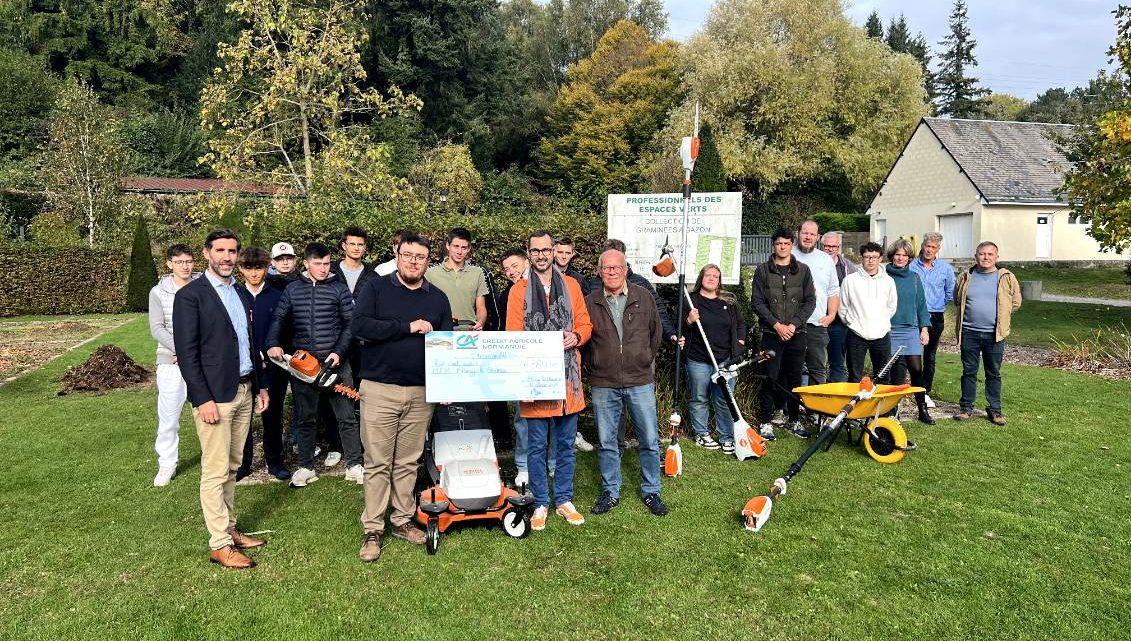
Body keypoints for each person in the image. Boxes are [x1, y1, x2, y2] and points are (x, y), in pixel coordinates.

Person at [352, 233, 453, 562]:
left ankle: (402, 520)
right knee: (378, 462)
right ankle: (373, 528)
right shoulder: (376, 288)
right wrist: (406, 327)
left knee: (408, 460)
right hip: (380, 388)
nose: (413, 261)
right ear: (397, 255)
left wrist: (445, 385)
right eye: (407, 255)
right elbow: (360, 326)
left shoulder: (438, 298)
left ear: (428, 261)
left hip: (421, 392)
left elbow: (445, 345)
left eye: (420, 257)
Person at [172, 229, 270, 569]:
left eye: (232, 251)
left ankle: (229, 528)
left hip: (243, 389)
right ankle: (219, 544)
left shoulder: (239, 293)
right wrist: (202, 399)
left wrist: (261, 387)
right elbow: (187, 353)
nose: (227, 257)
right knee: (214, 472)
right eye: (221, 251)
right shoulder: (191, 296)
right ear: (206, 254)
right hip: (215, 396)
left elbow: (248, 342)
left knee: (231, 467)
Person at [507, 230, 592, 531]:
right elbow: (513, 336)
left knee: (567, 445)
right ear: (528, 253)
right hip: (535, 381)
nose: (541, 255)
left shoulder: (571, 286)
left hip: (568, 380)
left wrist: (577, 335)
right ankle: (541, 501)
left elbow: (584, 321)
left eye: (546, 250)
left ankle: (564, 500)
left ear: (555, 251)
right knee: (536, 447)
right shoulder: (519, 291)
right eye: (535, 250)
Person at [267, 243, 363, 487]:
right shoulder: (292, 290)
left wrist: (339, 353)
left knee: (347, 417)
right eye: (318, 264)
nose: (323, 268)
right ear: (306, 263)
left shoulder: (339, 290)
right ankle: (306, 467)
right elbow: (279, 318)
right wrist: (273, 343)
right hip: (304, 366)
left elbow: (351, 325)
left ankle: (354, 464)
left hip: (336, 365)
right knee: (306, 419)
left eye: (327, 263)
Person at [584, 249, 668, 517]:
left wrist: (643, 359)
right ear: (600, 271)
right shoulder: (590, 301)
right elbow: (584, 340)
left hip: (639, 379)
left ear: (625, 269)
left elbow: (656, 333)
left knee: (650, 439)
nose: (611, 272)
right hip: (604, 381)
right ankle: (611, 491)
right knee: (607, 441)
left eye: (616, 267)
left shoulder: (643, 297)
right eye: (606, 268)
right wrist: (595, 364)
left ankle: (651, 490)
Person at [750, 228, 815, 441]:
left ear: (792, 245)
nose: (782, 247)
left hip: (797, 333)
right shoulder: (762, 270)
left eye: (786, 244)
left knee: (795, 377)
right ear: (773, 245)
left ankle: (794, 419)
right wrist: (776, 325)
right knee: (770, 377)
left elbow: (809, 301)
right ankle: (766, 421)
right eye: (779, 243)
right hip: (771, 332)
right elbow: (757, 302)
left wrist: (794, 325)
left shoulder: (803, 270)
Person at [496, 249, 553, 487]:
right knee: (523, 415)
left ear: (527, 262)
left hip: (548, 358)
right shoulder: (509, 292)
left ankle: (551, 463)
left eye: (514, 265)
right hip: (522, 360)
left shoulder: (550, 283)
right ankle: (523, 465)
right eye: (506, 269)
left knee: (552, 415)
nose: (511, 272)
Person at [234, 247, 291, 482]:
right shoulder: (235, 294)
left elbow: (286, 327)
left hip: (274, 364)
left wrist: (274, 351)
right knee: (244, 415)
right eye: (249, 268)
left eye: (259, 268)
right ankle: (243, 463)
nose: (254, 273)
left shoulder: (277, 293)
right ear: (240, 269)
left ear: (267, 267)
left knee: (272, 414)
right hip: (246, 364)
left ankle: (274, 461)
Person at [954, 241, 1022, 425]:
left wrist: (1001, 317)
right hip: (969, 332)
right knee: (969, 371)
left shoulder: (1006, 277)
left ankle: (995, 410)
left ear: (996, 257)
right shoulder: (965, 276)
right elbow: (957, 299)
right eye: (982, 254)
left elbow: (1015, 302)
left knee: (993, 373)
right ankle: (966, 408)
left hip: (995, 335)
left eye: (990, 254)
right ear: (976, 256)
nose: (986, 257)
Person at [148, 244, 200, 487]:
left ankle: (214, 459)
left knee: (208, 413)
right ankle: (167, 463)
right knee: (169, 417)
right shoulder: (158, 292)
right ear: (169, 264)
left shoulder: (204, 286)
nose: (185, 266)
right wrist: (182, 349)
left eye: (188, 261)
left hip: (203, 360)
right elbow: (157, 328)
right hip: (172, 362)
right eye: (179, 262)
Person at [682, 264, 746, 454]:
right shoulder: (691, 300)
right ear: (701, 278)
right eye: (708, 275)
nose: (711, 279)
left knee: (725, 398)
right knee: (699, 397)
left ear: (719, 280)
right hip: (698, 359)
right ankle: (701, 433)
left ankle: (726, 436)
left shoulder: (729, 301)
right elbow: (678, 329)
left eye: (715, 276)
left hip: (725, 359)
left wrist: (740, 342)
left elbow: (741, 324)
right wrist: (689, 321)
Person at [886, 239, 934, 424]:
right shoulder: (883, 275)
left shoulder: (914, 278)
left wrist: (924, 329)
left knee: (916, 369)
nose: (900, 258)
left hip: (911, 329)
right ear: (892, 256)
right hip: (889, 329)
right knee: (896, 372)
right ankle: (893, 410)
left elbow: (921, 305)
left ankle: (922, 409)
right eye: (897, 254)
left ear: (909, 258)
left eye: (904, 255)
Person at [838, 242, 896, 384]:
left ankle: (883, 407)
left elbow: (891, 307)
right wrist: (852, 323)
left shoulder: (888, 281)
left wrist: (881, 323)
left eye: (874, 257)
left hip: (881, 335)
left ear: (880, 259)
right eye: (867, 257)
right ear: (861, 258)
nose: (871, 260)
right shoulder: (850, 280)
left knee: (883, 376)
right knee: (855, 377)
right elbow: (843, 307)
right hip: (856, 334)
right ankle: (855, 406)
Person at [909, 231, 955, 408]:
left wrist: (937, 305)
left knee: (930, 355)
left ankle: (924, 391)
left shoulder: (945, 269)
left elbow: (949, 292)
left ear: (938, 249)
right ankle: (910, 387)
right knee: (912, 353)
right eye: (927, 246)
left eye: (933, 247)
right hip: (913, 315)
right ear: (922, 246)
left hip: (935, 315)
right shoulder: (912, 266)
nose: (929, 250)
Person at [792, 220, 840, 385]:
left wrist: (831, 315)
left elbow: (833, 290)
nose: (808, 237)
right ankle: (788, 408)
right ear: (798, 233)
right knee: (791, 368)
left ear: (818, 237)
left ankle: (814, 409)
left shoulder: (825, 260)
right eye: (805, 233)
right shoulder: (788, 256)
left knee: (817, 369)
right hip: (791, 324)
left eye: (812, 234)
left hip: (817, 324)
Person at [425, 227, 488, 330]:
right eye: (456, 246)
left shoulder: (477, 273)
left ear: (468, 249)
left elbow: (481, 307)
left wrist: (480, 323)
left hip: (469, 333)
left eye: (464, 248)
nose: (460, 251)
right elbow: (425, 306)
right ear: (448, 246)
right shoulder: (430, 274)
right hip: (440, 333)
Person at [821, 231, 856, 383]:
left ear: (839, 247)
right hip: (818, 319)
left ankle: (837, 394)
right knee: (815, 362)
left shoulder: (847, 266)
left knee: (837, 361)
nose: (830, 249)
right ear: (822, 246)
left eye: (834, 246)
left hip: (839, 322)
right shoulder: (815, 263)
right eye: (827, 246)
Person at [331, 226, 378, 298]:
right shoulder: (331, 271)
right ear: (344, 246)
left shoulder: (372, 275)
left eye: (360, 244)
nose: (356, 248)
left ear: (365, 247)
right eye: (352, 244)